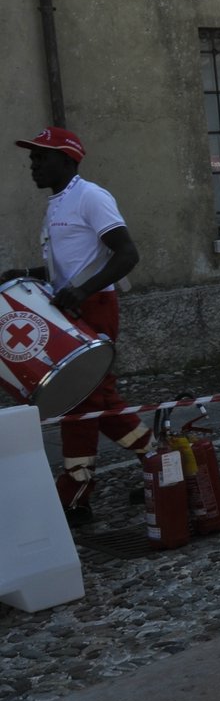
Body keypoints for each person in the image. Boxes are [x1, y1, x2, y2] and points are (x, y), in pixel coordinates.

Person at [6, 127, 152, 527]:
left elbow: (127, 253)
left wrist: (83, 290)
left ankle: (76, 487)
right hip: (76, 307)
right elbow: (68, 266)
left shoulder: (90, 196)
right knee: (93, 400)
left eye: (42, 157)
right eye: (32, 158)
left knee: (82, 396)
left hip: (97, 306)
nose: (33, 165)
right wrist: (27, 274)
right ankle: (160, 461)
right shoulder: (57, 203)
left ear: (69, 160)